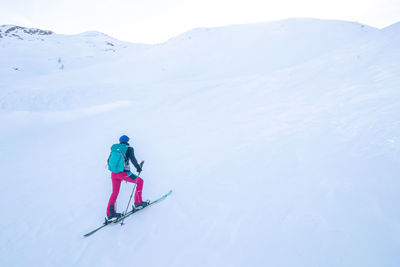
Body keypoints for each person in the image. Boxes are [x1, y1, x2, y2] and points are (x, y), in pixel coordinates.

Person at [106, 135, 149, 220]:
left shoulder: (115, 149)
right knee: (140, 181)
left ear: (120, 141)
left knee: (114, 192)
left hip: (113, 174)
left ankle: (110, 213)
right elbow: (133, 159)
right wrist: (138, 167)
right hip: (124, 173)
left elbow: (109, 161)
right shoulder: (129, 148)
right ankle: (138, 202)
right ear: (127, 141)